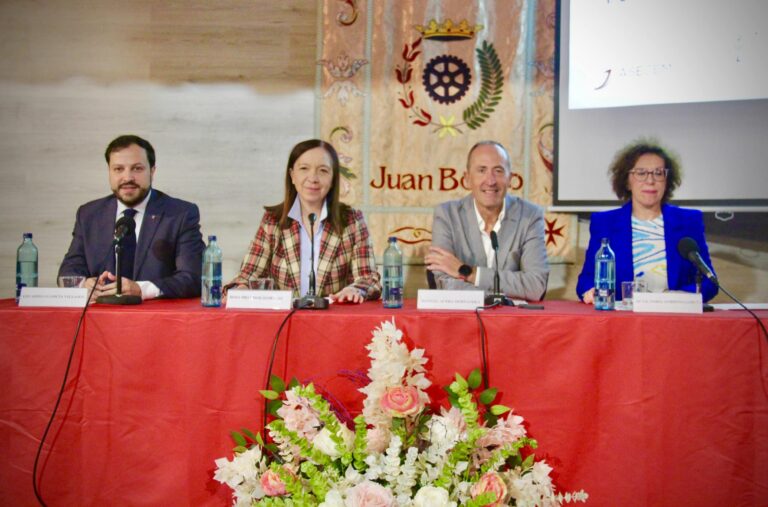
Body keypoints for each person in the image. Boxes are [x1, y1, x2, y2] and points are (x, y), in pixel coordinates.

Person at [226, 139, 381, 303]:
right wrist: (241, 289)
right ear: (292, 175)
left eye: (323, 171)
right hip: (284, 317)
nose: (313, 178)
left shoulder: (352, 221)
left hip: (333, 316)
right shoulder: (272, 221)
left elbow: (369, 279)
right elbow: (248, 274)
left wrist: (355, 289)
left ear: (333, 179)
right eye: (304, 168)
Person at [59, 135, 205, 300]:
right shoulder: (89, 214)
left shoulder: (180, 214)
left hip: (155, 314)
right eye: (118, 169)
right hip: (100, 312)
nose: (128, 177)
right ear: (109, 171)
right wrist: (83, 284)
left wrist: (141, 289)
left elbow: (192, 277)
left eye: (137, 168)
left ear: (152, 171)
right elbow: (68, 271)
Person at [576, 140, 718, 303]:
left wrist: (677, 298)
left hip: (674, 313)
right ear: (627, 181)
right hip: (623, 315)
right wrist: (590, 291)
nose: (650, 180)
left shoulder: (688, 221)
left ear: (667, 180)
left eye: (658, 173)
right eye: (641, 173)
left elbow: (710, 282)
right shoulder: (605, 223)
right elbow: (585, 280)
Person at [425, 141, 549, 301]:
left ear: (510, 178)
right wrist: (499, 297)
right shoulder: (447, 215)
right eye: (481, 170)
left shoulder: (530, 216)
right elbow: (444, 283)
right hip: (464, 316)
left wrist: (470, 273)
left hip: (513, 316)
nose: (490, 181)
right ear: (467, 179)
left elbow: (535, 285)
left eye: (498, 171)